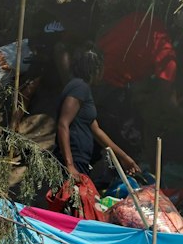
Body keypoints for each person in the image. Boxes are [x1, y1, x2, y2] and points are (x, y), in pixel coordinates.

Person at [56, 48, 138, 184]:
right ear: (96, 69)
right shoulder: (79, 87)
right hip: (74, 159)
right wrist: (69, 165)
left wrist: (124, 157)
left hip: (80, 159)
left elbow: (96, 131)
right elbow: (63, 123)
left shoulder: (83, 89)